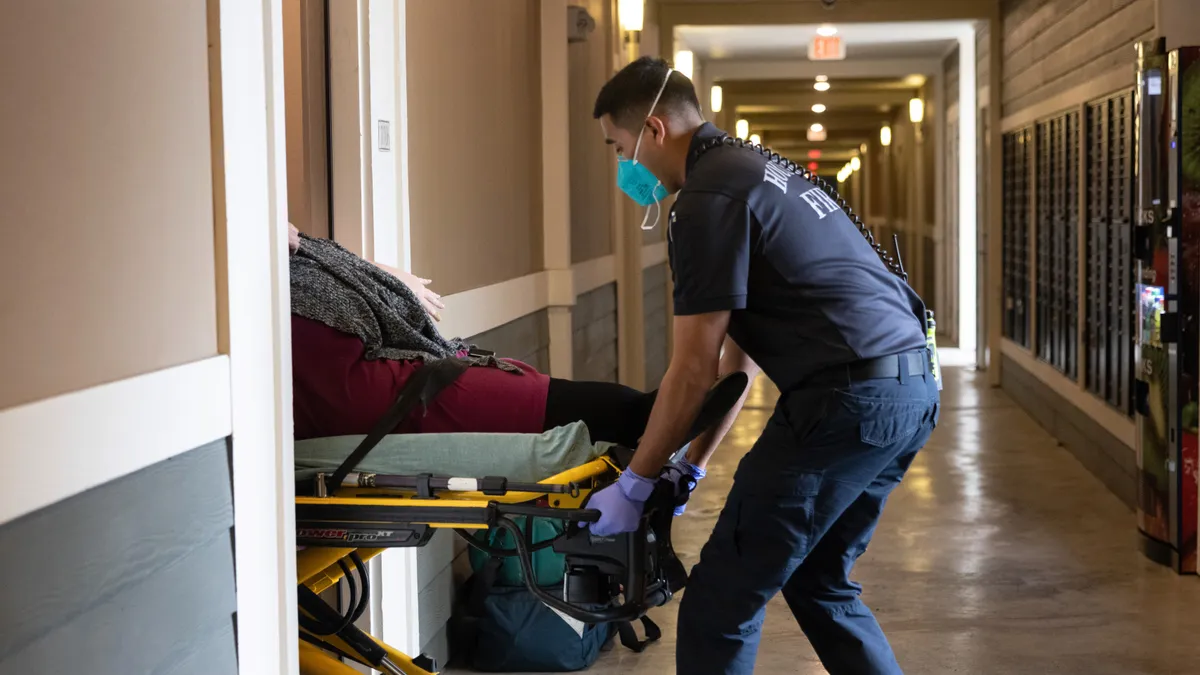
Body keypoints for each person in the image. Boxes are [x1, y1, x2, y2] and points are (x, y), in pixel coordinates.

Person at [584, 57, 941, 674]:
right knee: (818, 581)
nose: (624, 167)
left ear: (653, 130)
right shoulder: (756, 168)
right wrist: (691, 465)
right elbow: (737, 363)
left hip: (846, 403)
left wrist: (635, 483)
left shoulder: (705, 199)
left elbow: (693, 370)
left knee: (719, 604)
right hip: (908, 390)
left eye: (619, 148)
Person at [286, 224, 744, 451]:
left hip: (357, 364)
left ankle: (643, 415)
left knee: (505, 384)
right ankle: (641, 418)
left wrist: (374, 272)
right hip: (339, 386)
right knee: (484, 392)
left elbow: (290, 235)